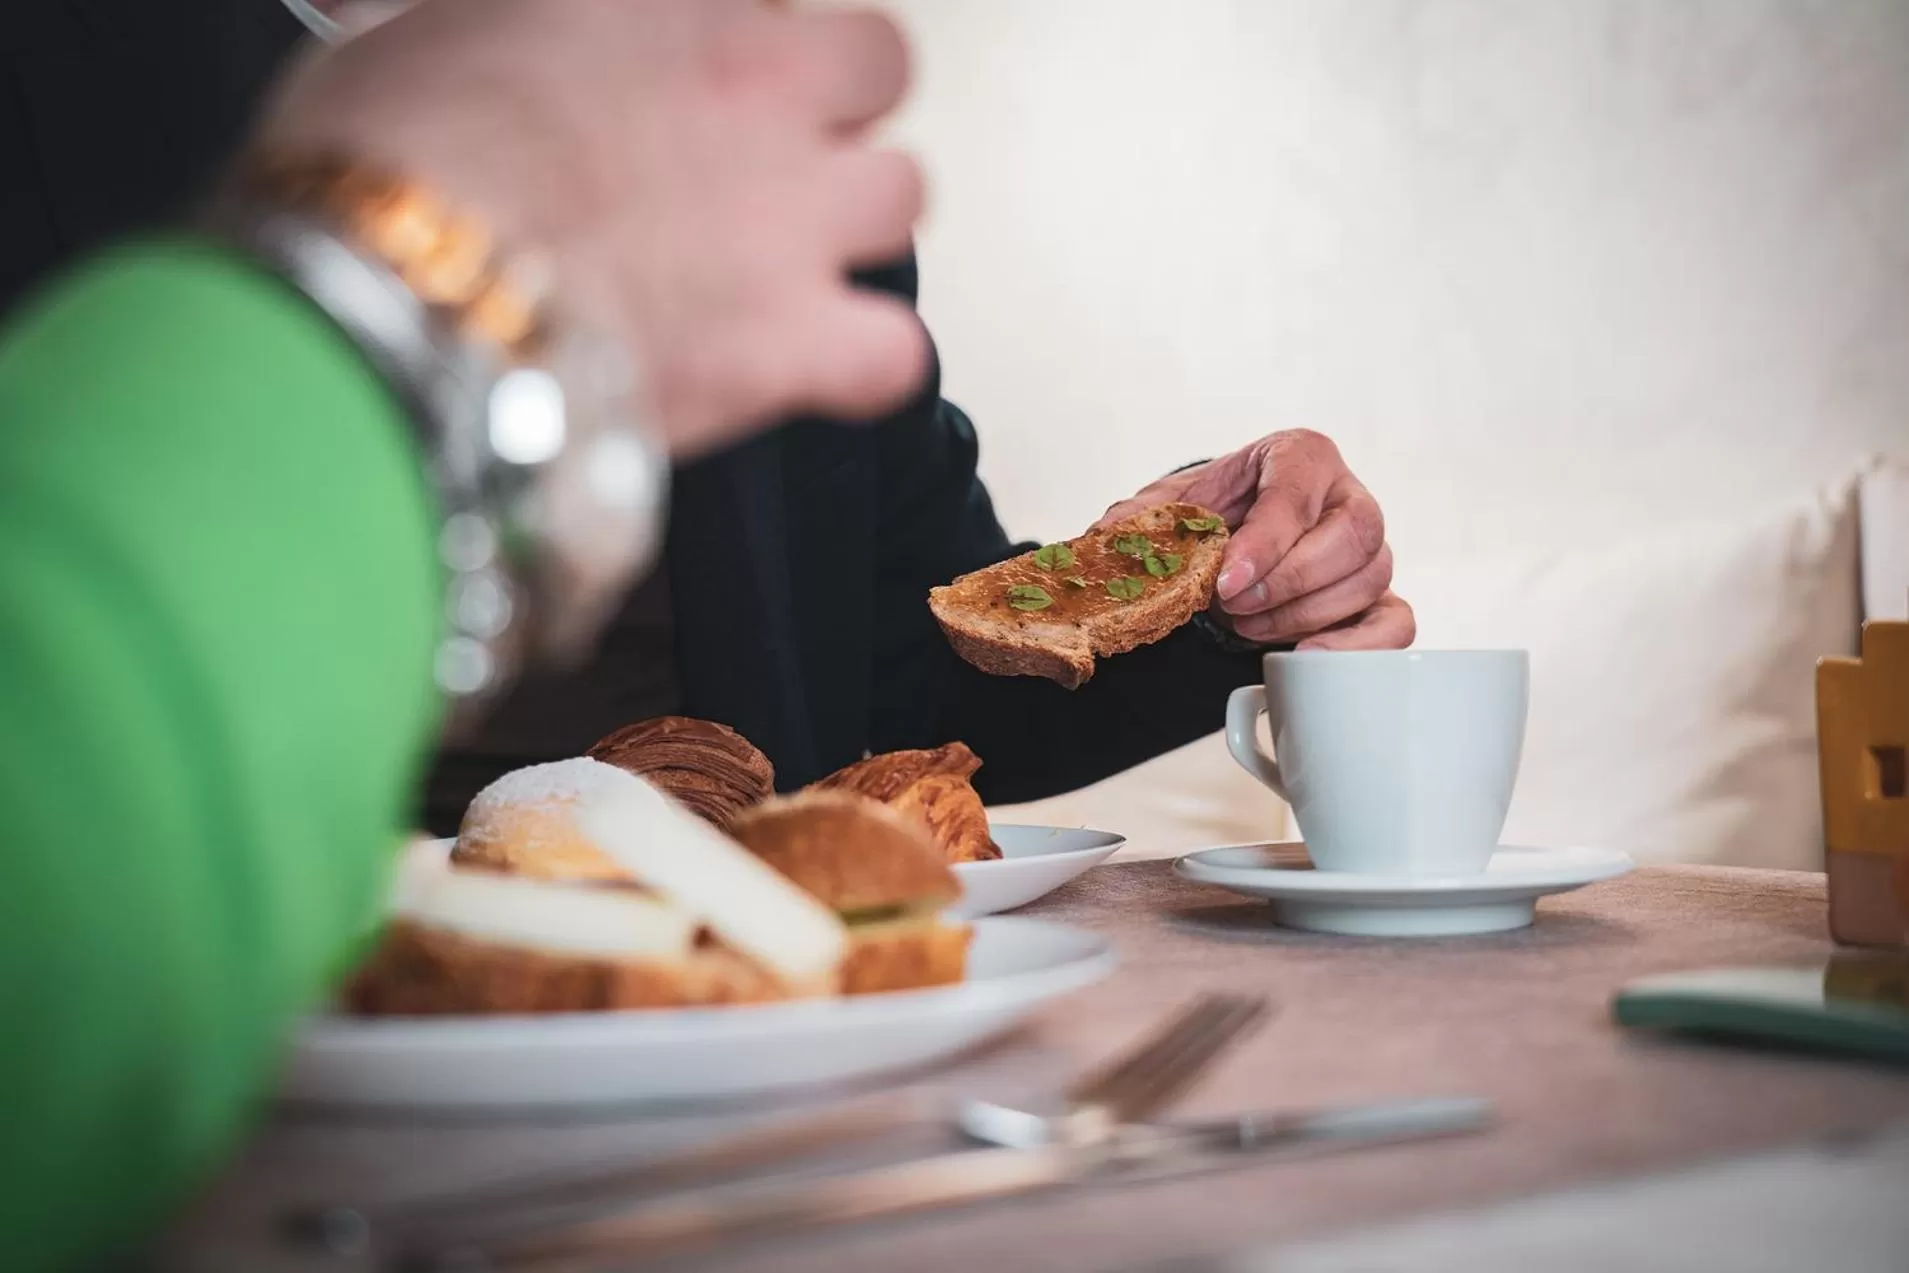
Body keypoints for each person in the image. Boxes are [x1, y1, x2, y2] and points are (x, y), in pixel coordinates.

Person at [0, 2, 927, 1267]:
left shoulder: (733, 129)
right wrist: (375, 285)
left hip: (754, 1139)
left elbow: (907, 662)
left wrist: (1190, 576)